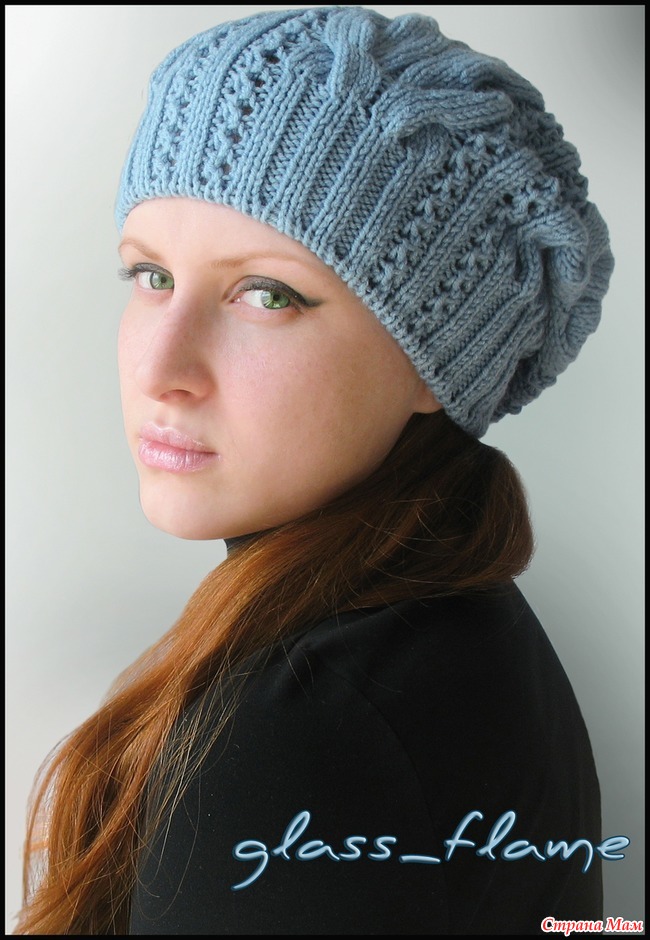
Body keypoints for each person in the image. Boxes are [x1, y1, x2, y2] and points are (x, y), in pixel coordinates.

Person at [14, 6, 616, 935]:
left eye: (266, 294)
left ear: (433, 361)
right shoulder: (454, 629)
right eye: (151, 276)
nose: (160, 369)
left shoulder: (299, 742)